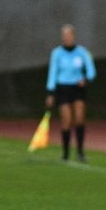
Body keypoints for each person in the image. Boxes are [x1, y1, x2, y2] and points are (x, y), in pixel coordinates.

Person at [45, 24, 96, 162]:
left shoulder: (82, 52)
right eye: (64, 36)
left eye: (69, 35)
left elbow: (91, 70)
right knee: (66, 121)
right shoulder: (57, 53)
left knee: (79, 119)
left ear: (73, 36)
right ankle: (66, 153)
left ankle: (80, 152)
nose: (66, 38)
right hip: (63, 88)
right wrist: (50, 92)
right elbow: (53, 72)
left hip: (78, 89)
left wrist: (86, 79)